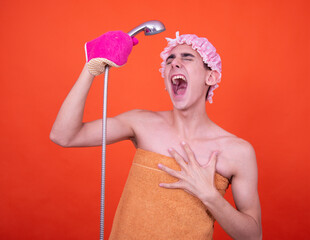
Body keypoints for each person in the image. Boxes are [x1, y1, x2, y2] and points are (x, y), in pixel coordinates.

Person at [50, 30, 262, 240]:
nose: (174, 63)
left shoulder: (238, 152)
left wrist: (210, 196)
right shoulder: (140, 122)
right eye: (170, 59)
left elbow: (253, 236)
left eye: (187, 58)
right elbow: (64, 135)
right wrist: (91, 67)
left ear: (211, 76)